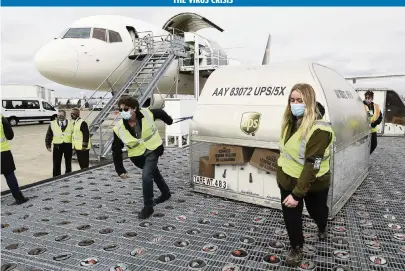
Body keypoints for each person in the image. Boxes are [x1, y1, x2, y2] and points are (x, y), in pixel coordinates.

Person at [276, 83, 336, 267]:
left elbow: (312, 165)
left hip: (314, 182)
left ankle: (322, 226)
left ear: (309, 102)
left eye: (299, 100)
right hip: (288, 178)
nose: (295, 104)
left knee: (316, 211)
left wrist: (297, 194)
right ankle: (296, 247)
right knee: (291, 217)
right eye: (292, 100)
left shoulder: (320, 130)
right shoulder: (290, 121)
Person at [112, 96, 173, 219]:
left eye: (126, 109)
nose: (123, 112)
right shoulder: (118, 128)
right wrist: (120, 169)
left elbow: (160, 112)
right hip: (137, 156)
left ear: (134, 108)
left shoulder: (147, 113)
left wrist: (169, 121)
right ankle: (166, 194)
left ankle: (148, 207)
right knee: (154, 173)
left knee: (146, 177)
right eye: (121, 110)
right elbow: (116, 149)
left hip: (153, 149)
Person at [1, 114, 29, 204]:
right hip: (3, 151)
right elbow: (10, 136)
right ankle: (19, 198)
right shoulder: (1, 118)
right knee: (9, 174)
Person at [45, 110, 73, 177]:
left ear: (65, 116)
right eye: (58, 115)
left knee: (68, 163)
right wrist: (48, 145)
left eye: (61, 115)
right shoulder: (52, 123)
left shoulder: (71, 123)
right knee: (56, 163)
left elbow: (74, 135)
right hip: (57, 146)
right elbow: (49, 135)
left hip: (68, 145)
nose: (59, 117)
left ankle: (68, 176)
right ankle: (56, 177)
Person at [363, 90, 382, 154]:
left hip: (372, 129)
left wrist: (374, 124)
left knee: (374, 145)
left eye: (369, 98)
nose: (367, 100)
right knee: (363, 146)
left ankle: (367, 156)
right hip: (363, 130)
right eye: (366, 98)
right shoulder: (361, 105)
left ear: (372, 98)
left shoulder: (376, 107)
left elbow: (380, 117)